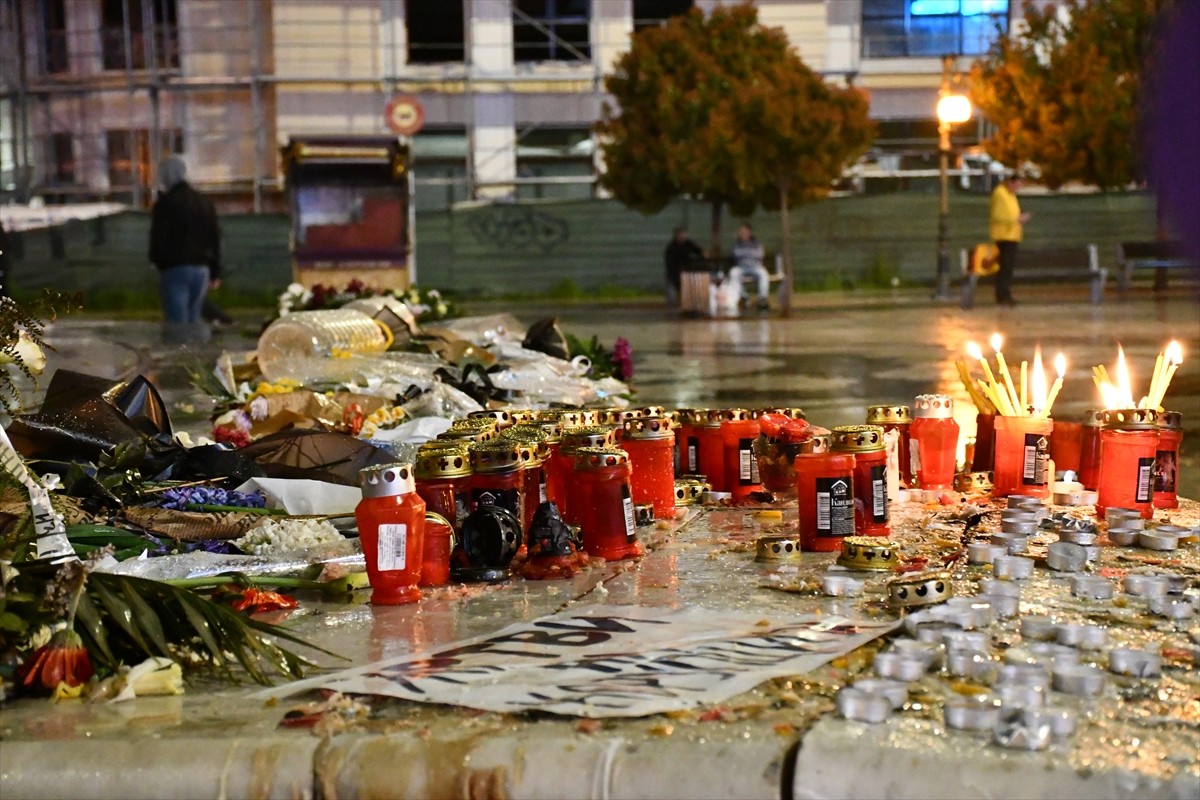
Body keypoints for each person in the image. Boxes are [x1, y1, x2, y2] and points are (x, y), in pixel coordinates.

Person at [149, 155, 221, 344]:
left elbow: (158, 237)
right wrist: (215, 271)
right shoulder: (204, 201)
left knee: (177, 324)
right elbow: (214, 237)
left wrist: (157, 261)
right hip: (202, 269)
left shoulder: (165, 203)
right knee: (193, 318)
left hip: (175, 268)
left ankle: (179, 357)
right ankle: (196, 354)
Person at [988, 173, 1031, 306]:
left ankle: (1005, 295)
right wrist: (1017, 219)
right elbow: (998, 215)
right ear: (1010, 182)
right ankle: (1003, 296)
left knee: (1008, 268)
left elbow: (1011, 212)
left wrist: (1019, 217)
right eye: (1017, 185)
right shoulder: (1000, 194)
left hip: (1012, 235)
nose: (1018, 188)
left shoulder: (1011, 195)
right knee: (1005, 267)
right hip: (1004, 236)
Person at [730, 223, 770, 310]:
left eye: (745, 232)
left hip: (755, 267)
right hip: (741, 267)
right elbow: (735, 254)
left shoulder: (756, 243)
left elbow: (760, 254)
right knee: (733, 273)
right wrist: (750, 253)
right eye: (741, 232)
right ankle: (743, 297)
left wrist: (744, 254)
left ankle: (762, 298)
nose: (743, 233)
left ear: (749, 232)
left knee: (763, 274)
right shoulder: (737, 244)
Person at [663, 227, 703, 306]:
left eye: (684, 235)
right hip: (674, 273)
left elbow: (697, 250)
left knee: (687, 292)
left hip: (686, 273)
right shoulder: (671, 248)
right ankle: (672, 308)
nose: (683, 237)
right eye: (681, 235)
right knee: (672, 296)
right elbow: (670, 264)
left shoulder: (687, 244)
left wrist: (702, 253)